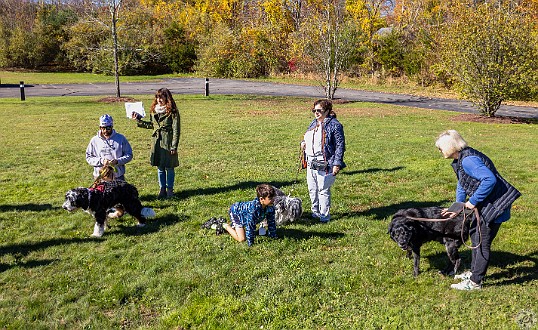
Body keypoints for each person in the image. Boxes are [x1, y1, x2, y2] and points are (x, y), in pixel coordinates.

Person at [435, 130, 521, 290]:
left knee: (481, 243)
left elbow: (489, 179)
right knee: (476, 238)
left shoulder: (469, 161)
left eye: (440, 148)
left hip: (494, 205)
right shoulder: (461, 159)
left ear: (449, 147)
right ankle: (474, 272)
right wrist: (459, 205)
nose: (439, 151)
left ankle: (475, 282)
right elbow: (462, 182)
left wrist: (472, 202)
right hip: (488, 203)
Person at [300, 99, 346, 223]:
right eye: (314, 110)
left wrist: (337, 163)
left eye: (319, 110)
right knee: (312, 189)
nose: (316, 113)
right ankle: (315, 213)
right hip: (311, 162)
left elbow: (340, 146)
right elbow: (307, 137)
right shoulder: (313, 123)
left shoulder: (335, 125)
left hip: (325, 162)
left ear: (327, 111)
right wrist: (303, 144)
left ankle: (324, 216)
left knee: (323, 189)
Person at [132, 88, 180, 199]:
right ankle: (162, 189)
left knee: (169, 167)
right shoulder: (154, 110)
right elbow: (151, 125)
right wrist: (138, 120)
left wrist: (174, 146)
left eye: (161, 97)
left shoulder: (173, 112)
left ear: (167, 98)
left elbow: (176, 130)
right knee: (160, 167)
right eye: (157, 97)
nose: (159, 100)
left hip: (167, 141)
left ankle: (170, 190)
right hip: (157, 142)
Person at [206, 184, 278, 247]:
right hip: (236, 213)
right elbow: (250, 227)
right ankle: (224, 225)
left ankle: (234, 227)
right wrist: (251, 243)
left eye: (273, 197)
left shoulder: (270, 206)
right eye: (270, 198)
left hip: (245, 216)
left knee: (247, 229)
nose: (273, 200)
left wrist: (273, 236)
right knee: (242, 239)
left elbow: (271, 221)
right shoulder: (253, 210)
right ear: (262, 199)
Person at [86, 114, 133, 181]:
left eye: (108, 128)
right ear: (100, 127)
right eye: (103, 128)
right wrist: (102, 161)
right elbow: (89, 157)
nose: (105, 131)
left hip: (117, 177)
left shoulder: (121, 138)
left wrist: (117, 161)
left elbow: (129, 155)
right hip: (100, 177)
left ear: (112, 126)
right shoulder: (94, 140)